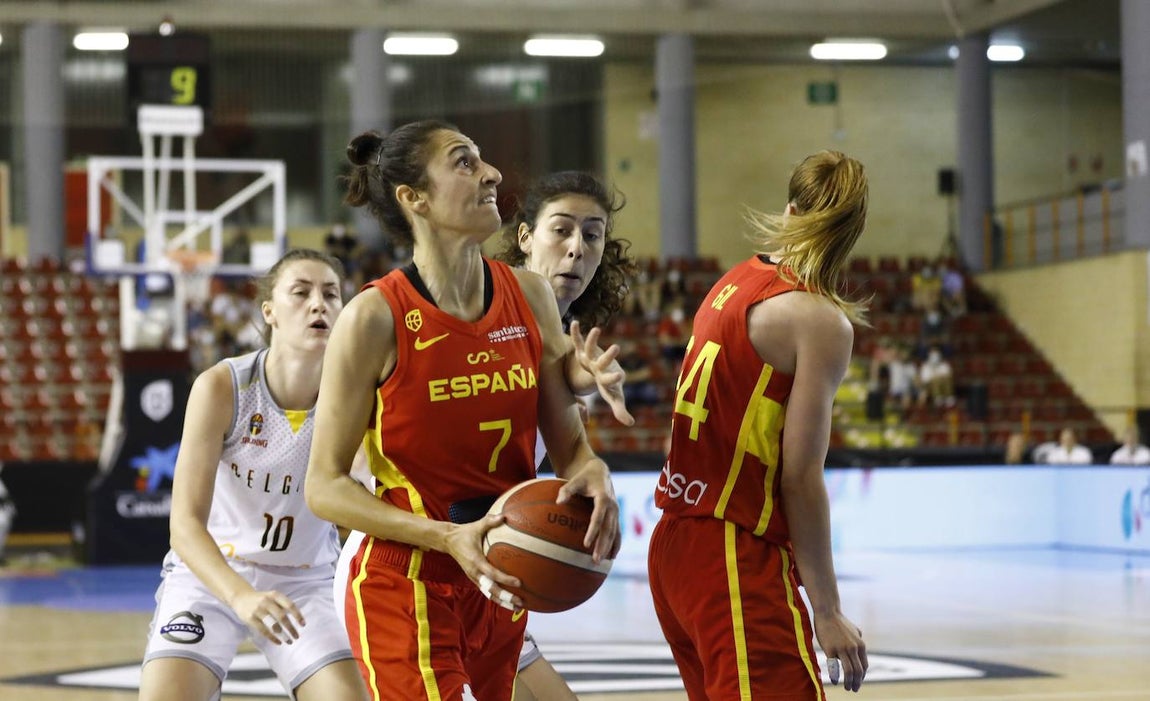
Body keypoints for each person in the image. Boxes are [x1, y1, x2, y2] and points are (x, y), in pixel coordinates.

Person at [305, 121, 620, 701]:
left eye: (483, 160)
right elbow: (324, 487)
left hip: (501, 580)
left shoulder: (530, 295)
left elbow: (570, 448)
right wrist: (445, 536)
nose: (493, 173)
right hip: (405, 581)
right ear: (414, 197)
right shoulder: (374, 317)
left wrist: (591, 472)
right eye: (465, 162)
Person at [647, 150, 869, 699]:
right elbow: (799, 476)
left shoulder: (734, 281)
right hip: (732, 547)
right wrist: (829, 609)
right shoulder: (819, 320)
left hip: (673, 542)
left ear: (790, 209)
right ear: (853, 230)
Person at [138, 249, 369, 701]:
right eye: (300, 293)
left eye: (330, 294)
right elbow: (183, 525)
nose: (318, 304)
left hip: (305, 581)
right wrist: (241, 595)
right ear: (270, 312)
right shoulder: (222, 387)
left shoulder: (358, 398)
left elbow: (377, 485)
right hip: (211, 575)